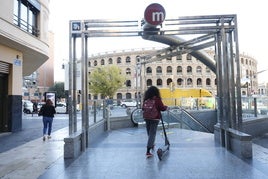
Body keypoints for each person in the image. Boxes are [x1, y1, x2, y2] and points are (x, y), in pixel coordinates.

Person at [142, 86, 168, 158]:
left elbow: (143, 108)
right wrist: (166, 107)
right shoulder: (157, 99)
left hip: (146, 117)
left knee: (149, 132)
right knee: (152, 134)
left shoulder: (146, 99)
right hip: (155, 118)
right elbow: (162, 108)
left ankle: (151, 144)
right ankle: (148, 151)